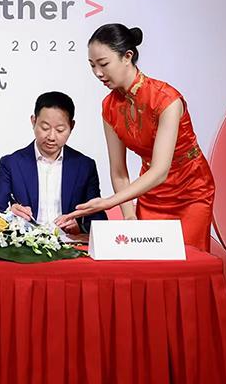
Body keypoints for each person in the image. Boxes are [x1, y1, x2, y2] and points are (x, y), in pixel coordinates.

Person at [58, 23, 216, 250]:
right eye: (92, 65)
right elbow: (119, 171)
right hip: (150, 193)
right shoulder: (109, 106)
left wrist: (108, 203)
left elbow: (160, 171)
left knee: (187, 261)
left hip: (190, 190)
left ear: (127, 56)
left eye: (103, 64)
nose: (98, 73)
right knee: (150, 262)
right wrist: (129, 215)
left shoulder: (166, 99)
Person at [0, 91, 107, 233]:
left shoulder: (84, 166)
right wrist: (10, 215)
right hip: (25, 244)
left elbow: (98, 221)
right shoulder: (12, 164)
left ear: (71, 126)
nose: (51, 137)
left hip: (69, 243)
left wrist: (79, 229)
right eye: (45, 128)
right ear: (33, 121)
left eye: (60, 130)